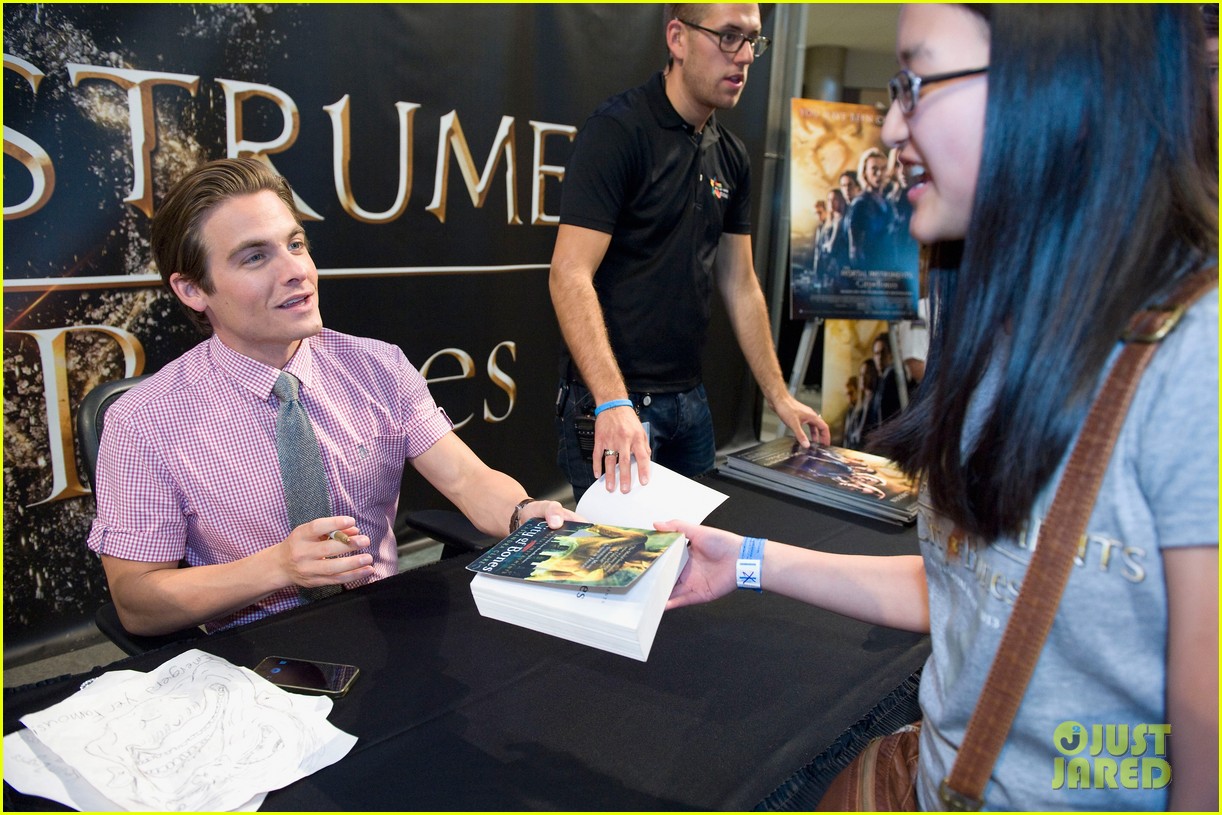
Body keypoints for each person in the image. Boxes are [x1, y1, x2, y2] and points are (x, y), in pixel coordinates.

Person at [661, 4, 1217, 810]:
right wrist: (746, 560)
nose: (889, 126)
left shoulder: (1194, 364)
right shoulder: (1002, 322)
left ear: (1055, 82)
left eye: (918, 82)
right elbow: (971, 586)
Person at [87, 157, 578, 635]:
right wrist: (277, 567)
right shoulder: (143, 420)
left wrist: (524, 512)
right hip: (254, 657)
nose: (295, 270)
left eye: (295, 244)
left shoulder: (377, 366)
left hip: (387, 624)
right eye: (256, 256)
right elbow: (137, 602)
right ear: (193, 290)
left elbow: (468, 480)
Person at [550, 3, 828, 500]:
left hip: (690, 402)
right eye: (727, 37)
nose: (743, 56)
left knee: (694, 564)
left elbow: (741, 284)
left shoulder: (732, 155)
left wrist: (780, 396)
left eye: (753, 40)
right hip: (618, 405)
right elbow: (569, 274)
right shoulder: (619, 131)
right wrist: (612, 403)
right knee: (615, 565)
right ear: (677, 39)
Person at [845, 146, 896, 270]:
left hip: (888, 268)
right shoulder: (860, 204)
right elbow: (854, 250)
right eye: (874, 169)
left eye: (883, 169)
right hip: (870, 271)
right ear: (865, 172)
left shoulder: (888, 203)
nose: (879, 174)